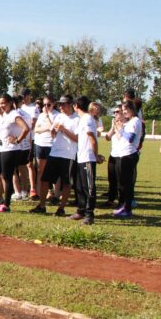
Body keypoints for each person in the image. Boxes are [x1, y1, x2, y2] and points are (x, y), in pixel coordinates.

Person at [30, 95, 78, 216]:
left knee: (66, 183)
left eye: (64, 104)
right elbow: (53, 135)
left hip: (68, 155)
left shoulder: (77, 119)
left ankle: (61, 208)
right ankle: (42, 205)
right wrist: (53, 131)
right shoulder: (60, 116)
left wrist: (64, 130)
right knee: (45, 179)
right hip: (54, 152)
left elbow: (77, 139)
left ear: (71, 104)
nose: (61, 106)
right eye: (60, 104)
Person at [0, 93, 30, 213]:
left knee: (6, 176)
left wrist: (17, 140)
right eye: (0, 103)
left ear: (10, 103)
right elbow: (1, 134)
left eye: (3, 103)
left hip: (12, 150)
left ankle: (6, 205)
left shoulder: (14, 114)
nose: (1, 105)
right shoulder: (3, 116)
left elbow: (26, 128)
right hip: (2, 148)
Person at [66, 96, 103, 225]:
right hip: (81, 157)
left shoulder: (87, 119)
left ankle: (89, 214)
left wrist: (96, 156)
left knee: (89, 187)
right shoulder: (82, 119)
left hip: (88, 158)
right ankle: (80, 211)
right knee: (79, 187)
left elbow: (92, 138)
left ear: (76, 105)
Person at [109, 100, 143, 218]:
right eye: (122, 111)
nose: (124, 113)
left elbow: (130, 138)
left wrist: (121, 130)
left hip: (129, 155)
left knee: (126, 184)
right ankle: (123, 206)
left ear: (132, 109)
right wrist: (118, 129)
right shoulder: (130, 122)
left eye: (125, 110)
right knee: (121, 183)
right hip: (122, 154)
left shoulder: (135, 121)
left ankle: (127, 208)